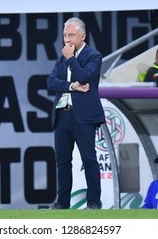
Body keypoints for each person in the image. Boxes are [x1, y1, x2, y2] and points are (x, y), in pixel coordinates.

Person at [47, 17, 105, 209]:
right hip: (63, 114)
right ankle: (62, 204)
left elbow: (85, 77)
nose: (67, 40)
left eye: (71, 35)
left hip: (84, 116)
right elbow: (51, 83)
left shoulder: (93, 56)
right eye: (64, 36)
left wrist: (71, 59)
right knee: (62, 161)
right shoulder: (61, 58)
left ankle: (94, 202)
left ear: (83, 35)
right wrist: (71, 86)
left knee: (89, 159)